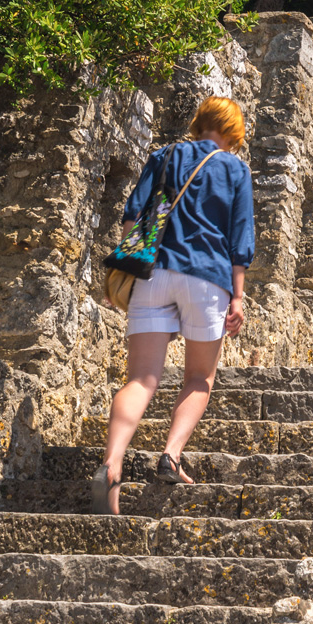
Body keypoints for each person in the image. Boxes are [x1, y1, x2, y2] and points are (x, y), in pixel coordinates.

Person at [93, 96, 255, 514]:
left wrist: (127, 269)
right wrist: (237, 296)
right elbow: (240, 242)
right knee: (199, 378)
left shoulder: (164, 156)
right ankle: (170, 455)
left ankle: (112, 463)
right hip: (208, 280)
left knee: (142, 379)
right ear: (233, 134)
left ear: (199, 122)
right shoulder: (235, 169)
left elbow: (134, 217)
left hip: (154, 272)